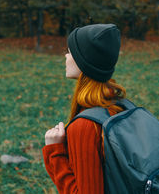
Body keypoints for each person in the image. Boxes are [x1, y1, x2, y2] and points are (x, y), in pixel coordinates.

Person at [42, 23, 127, 194]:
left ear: (84, 61)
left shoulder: (86, 126)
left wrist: (54, 152)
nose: (65, 56)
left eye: (70, 51)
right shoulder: (118, 105)